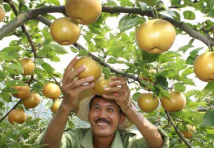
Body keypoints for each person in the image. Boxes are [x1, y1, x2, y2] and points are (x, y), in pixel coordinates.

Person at [35, 57, 169, 148]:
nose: (102, 114)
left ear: (122, 118)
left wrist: (129, 108)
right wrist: (65, 105)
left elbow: (158, 144)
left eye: (110, 109)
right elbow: (47, 146)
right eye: (96, 108)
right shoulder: (75, 139)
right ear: (89, 114)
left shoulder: (130, 142)